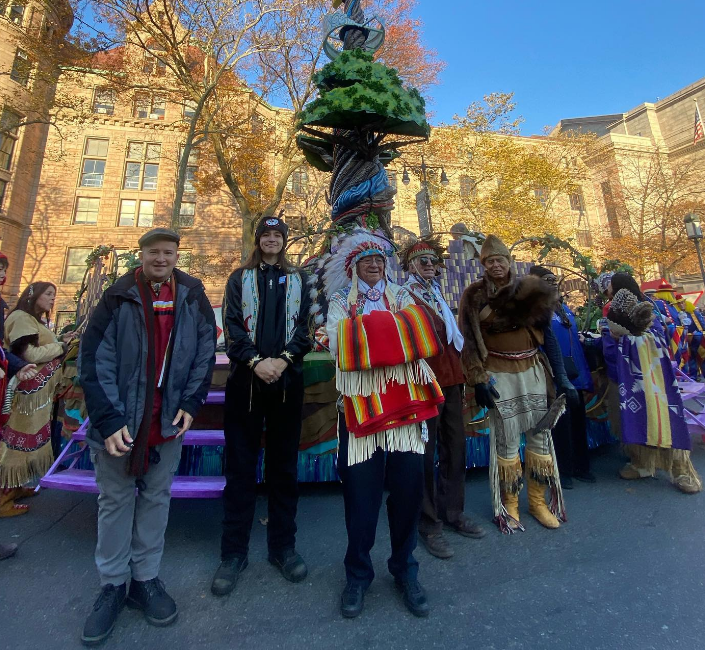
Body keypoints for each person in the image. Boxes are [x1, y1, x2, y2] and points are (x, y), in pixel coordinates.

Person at [79, 228, 216, 646]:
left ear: (177, 256)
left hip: (167, 421)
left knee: (156, 500)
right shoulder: (117, 296)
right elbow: (94, 358)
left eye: (168, 252)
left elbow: (205, 353)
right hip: (121, 423)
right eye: (154, 252)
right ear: (141, 256)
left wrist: (192, 403)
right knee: (116, 501)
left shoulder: (192, 296)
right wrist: (107, 418)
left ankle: (146, 579)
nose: (161, 258)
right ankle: (112, 585)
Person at [325, 229, 444, 619]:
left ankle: (405, 570)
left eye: (379, 259)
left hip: (406, 414)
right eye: (366, 260)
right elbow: (338, 345)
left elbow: (423, 339)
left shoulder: (404, 296)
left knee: (409, 494)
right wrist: (397, 337)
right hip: (360, 412)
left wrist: (369, 338)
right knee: (361, 500)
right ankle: (358, 575)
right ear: (354, 265)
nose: (374, 264)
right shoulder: (341, 301)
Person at [211, 215, 311, 598]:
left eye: (277, 235)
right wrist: (256, 362)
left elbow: (306, 326)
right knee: (240, 468)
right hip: (246, 385)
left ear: (284, 241)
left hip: (287, 383)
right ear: (258, 240)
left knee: (284, 469)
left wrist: (283, 360)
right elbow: (232, 328)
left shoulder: (299, 278)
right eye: (266, 235)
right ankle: (233, 553)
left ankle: (283, 547)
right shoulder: (240, 278)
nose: (272, 240)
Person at [458, 235, 576, 533]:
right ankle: (509, 504)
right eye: (490, 261)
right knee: (507, 441)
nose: (496, 265)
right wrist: (478, 378)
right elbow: (468, 343)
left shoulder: (529, 290)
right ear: (483, 265)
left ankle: (537, 502)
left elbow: (547, 337)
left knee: (539, 437)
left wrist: (560, 376)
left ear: (509, 261)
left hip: (534, 371)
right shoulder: (473, 295)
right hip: (499, 373)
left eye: (500, 259)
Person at [400, 236, 485, 559]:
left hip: (451, 380)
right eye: (423, 261)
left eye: (434, 262)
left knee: (456, 447)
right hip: (424, 382)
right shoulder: (404, 296)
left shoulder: (435, 293)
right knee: (426, 451)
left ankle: (454, 512)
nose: (430, 267)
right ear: (409, 266)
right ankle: (428, 521)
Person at [601, 275, 702, 494]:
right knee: (631, 420)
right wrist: (612, 340)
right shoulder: (610, 311)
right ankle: (642, 463)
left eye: (610, 285)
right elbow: (609, 346)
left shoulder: (650, 308)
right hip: (623, 379)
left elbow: (661, 338)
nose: (607, 290)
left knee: (664, 419)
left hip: (654, 377)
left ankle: (681, 470)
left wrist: (625, 338)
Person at [0, 282, 69, 517]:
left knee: (28, 441)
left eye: (54, 295)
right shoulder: (21, 317)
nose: (52, 299)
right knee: (15, 443)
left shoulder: (33, 321)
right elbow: (28, 354)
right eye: (48, 294)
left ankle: (16, 486)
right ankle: (3, 497)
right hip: (25, 394)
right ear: (33, 295)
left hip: (37, 395)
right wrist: (61, 346)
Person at [529, 266, 595, 489]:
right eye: (547, 280)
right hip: (553, 375)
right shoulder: (536, 311)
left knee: (578, 420)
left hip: (575, 372)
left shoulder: (563, 309)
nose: (553, 284)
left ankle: (581, 466)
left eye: (554, 280)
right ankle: (564, 470)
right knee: (560, 424)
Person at [0, 253, 39, 557]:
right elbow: (23, 349)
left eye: (4, 269)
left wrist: (14, 365)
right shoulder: (17, 316)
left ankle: (14, 485)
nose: (2, 274)